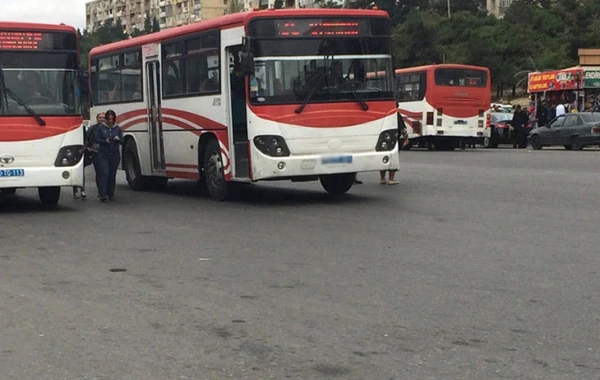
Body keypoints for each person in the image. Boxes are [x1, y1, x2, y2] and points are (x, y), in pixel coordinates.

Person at [94, 110, 124, 202]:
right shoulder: (101, 128)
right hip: (103, 154)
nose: (110, 121)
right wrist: (104, 141)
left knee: (112, 174)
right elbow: (96, 139)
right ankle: (103, 194)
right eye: (109, 119)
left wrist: (118, 139)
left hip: (114, 154)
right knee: (104, 173)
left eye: (112, 119)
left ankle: (110, 194)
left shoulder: (117, 128)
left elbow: (123, 141)